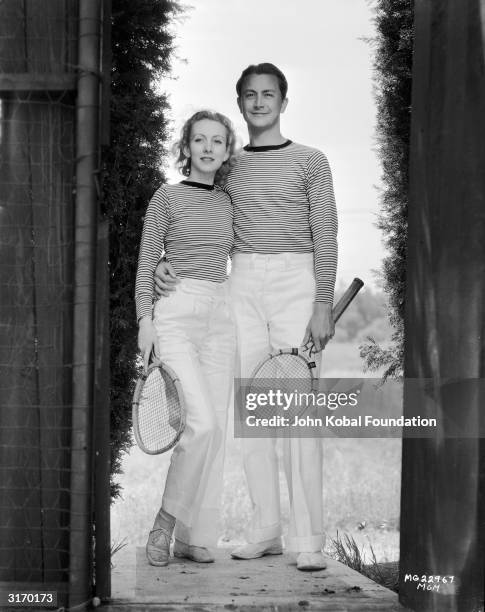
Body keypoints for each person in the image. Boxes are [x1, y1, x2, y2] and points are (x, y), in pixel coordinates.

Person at [154, 63, 338, 572]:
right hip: (242, 285)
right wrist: (167, 264)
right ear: (240, 104)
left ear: (284, 99)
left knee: (297, 414)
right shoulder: (229, 166)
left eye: (269, 94)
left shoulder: (311, 161)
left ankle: (308, 539)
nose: (259, 102)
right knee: (255, 414)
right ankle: (267, 531)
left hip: (296, 283)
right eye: (250, 95)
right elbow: (196, 222)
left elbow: (326, 232)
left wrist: (323, 300)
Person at [135, 110, 237, 566]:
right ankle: (164, 524)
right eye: (201, 140)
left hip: (220, 316)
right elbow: (146, 263)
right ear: (187, 147)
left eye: (218, 141)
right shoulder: (166, 197)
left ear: (226, 150)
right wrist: (145, 321)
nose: (209, 148)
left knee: (213, 435)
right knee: (203, 425)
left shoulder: (229, 202)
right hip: (175, 315)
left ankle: (191, 536)